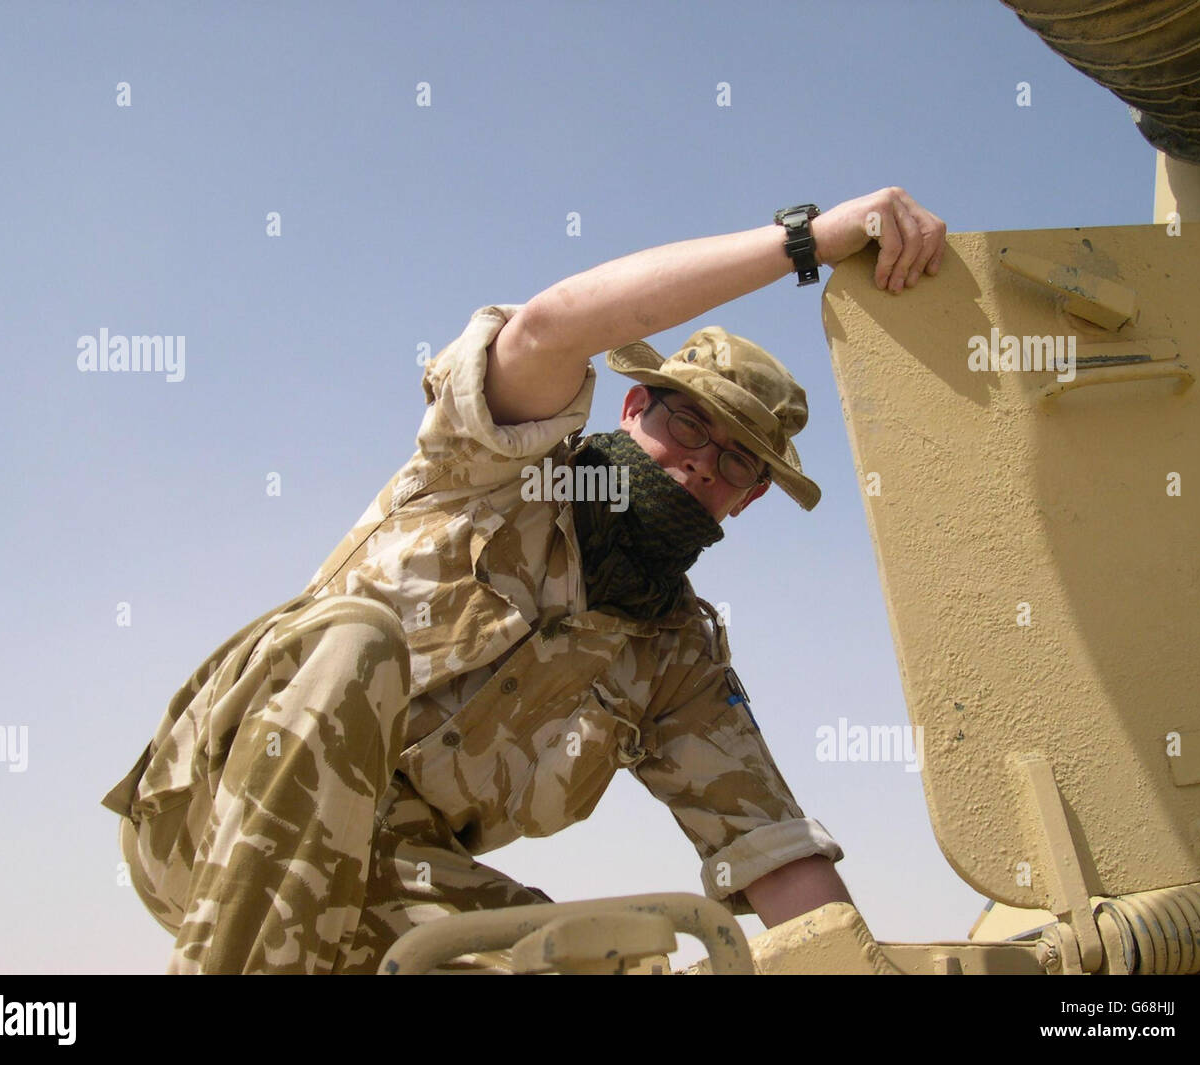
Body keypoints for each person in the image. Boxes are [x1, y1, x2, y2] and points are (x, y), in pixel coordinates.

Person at [102, 186, 946, 973]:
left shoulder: (674, 660)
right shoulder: (500, 466)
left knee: (593, 955)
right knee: (355, 639)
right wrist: (805, 241)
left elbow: (774, 851)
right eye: (687, 419)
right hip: (212, 812)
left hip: (379, 877)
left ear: (751, 498)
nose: (699, 462)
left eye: (734, 460)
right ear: (632, 407)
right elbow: (549, 328)